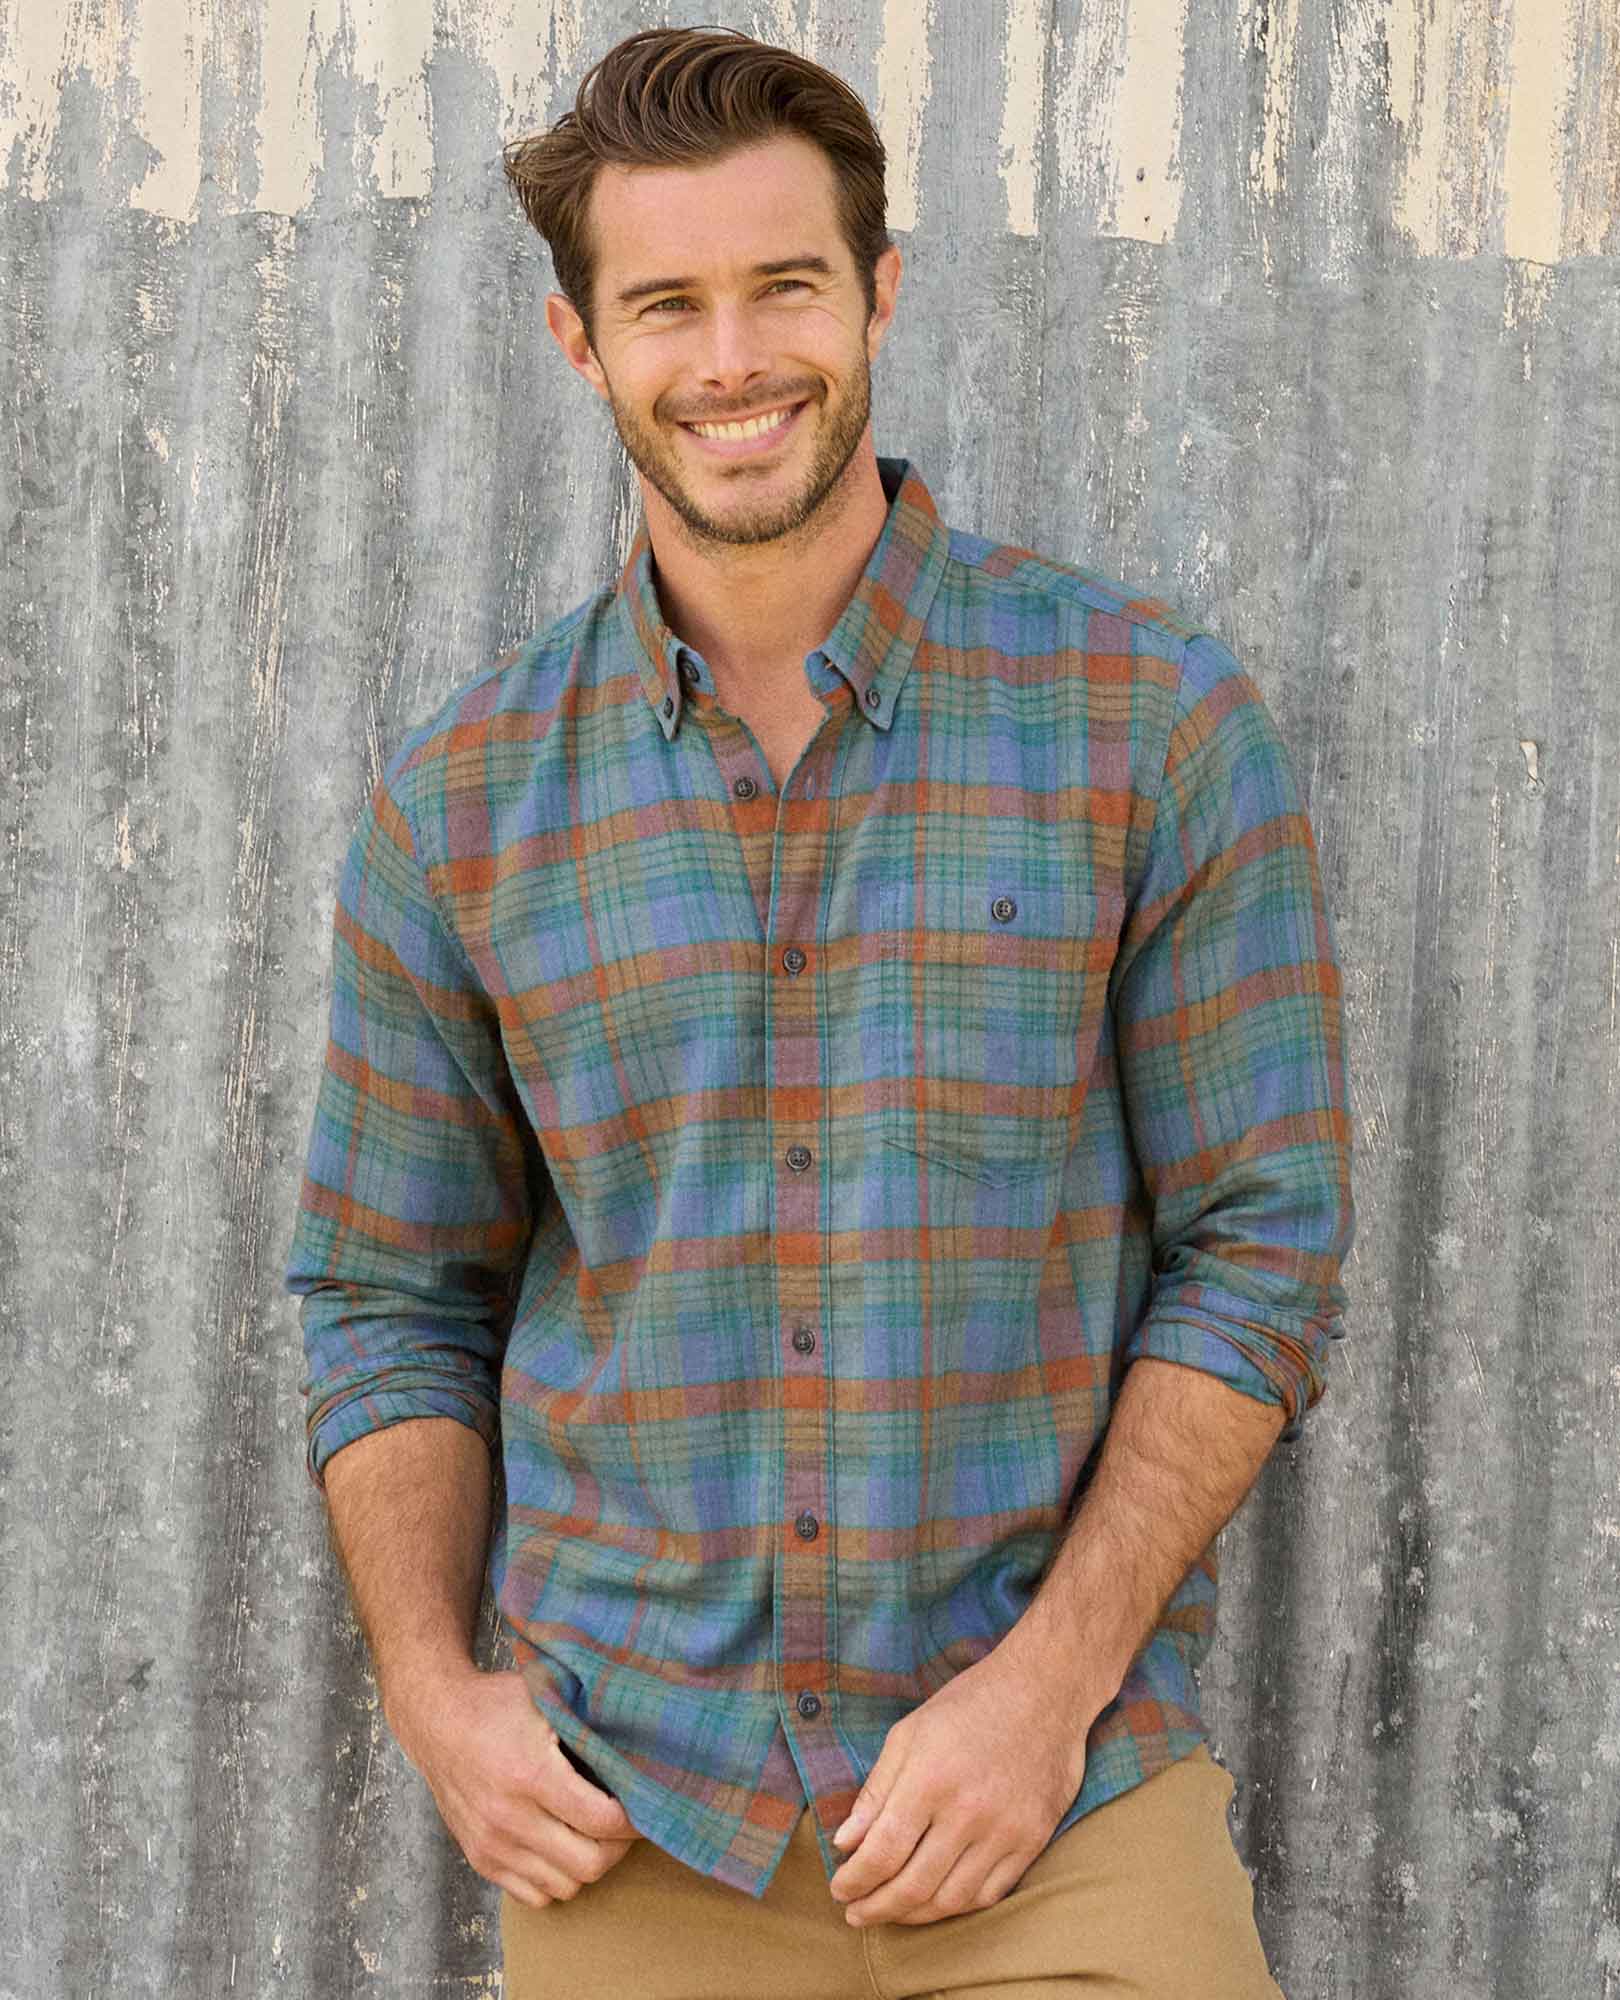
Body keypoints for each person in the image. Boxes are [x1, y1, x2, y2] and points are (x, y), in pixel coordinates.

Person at [285, 25, 1354, 1998]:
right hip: (639, 1815)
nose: (733, 358)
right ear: (578, 341)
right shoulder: (459, 808)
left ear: (878, 287)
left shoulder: (1149, 723)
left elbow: (1263, 1239)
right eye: (664, 303)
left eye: (783, 283)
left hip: (1065, 1792)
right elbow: (381, 1291)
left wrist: (1045, 1690)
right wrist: (434, 1696)